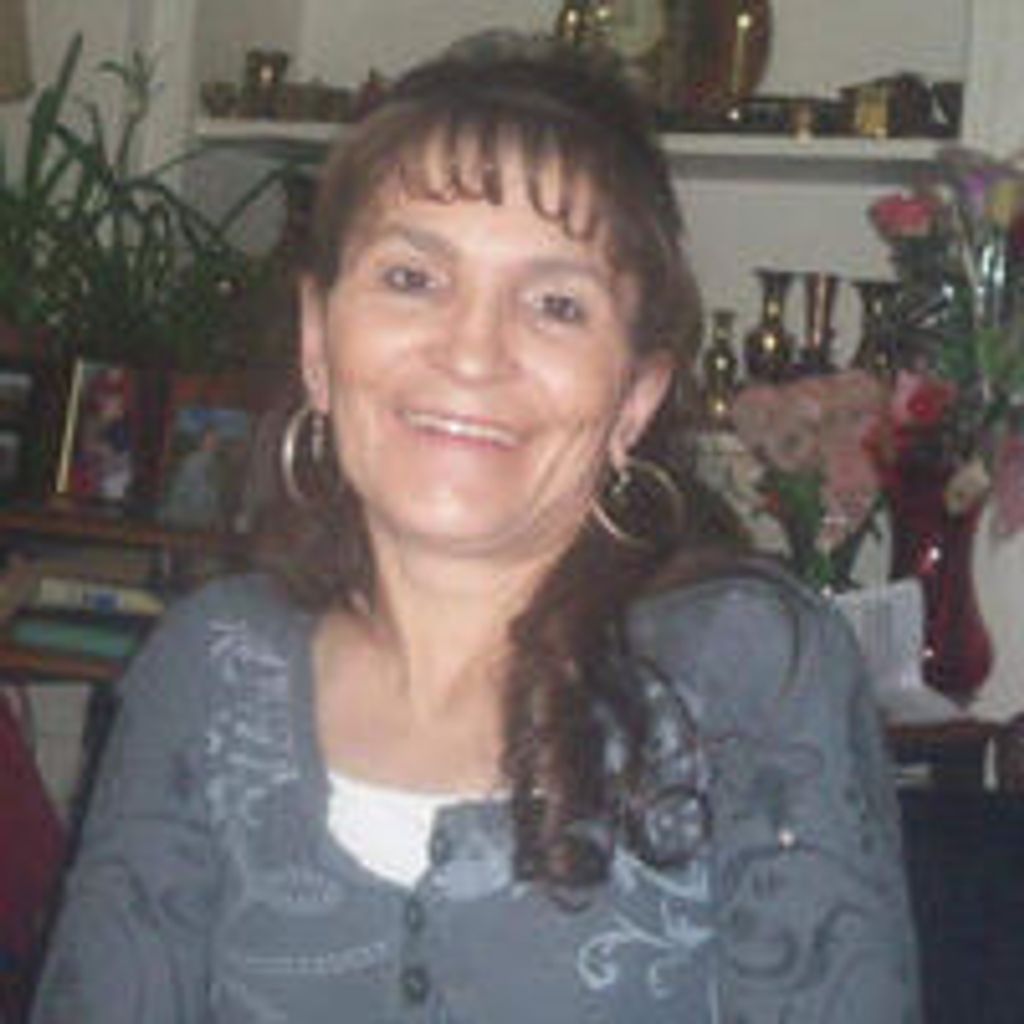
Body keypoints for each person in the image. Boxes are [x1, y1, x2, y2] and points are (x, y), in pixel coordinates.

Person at [31, 37, 920, 1023]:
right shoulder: (206, 667)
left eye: (555, 304)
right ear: (320, 344)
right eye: (413, 278)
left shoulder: (750, 670)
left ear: (633, 397)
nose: (470, 351)